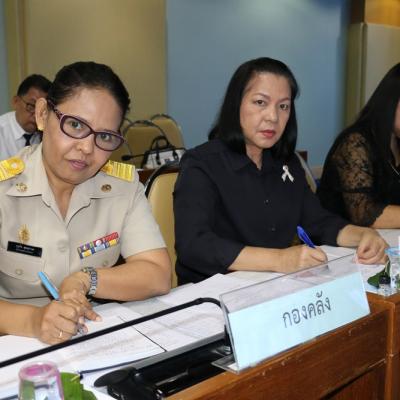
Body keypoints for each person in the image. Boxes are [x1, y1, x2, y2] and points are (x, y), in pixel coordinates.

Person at [173, 57, 387, 284]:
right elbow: (193, 245)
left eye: (283, 106)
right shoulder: (201, 163)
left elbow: (318, 221)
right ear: (236, 105)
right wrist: (279, 259)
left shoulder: (286, 162)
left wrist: (363, 235)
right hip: (213, 293)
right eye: (260, 102)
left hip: (275, 287)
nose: (273, 117)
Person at [0, 61, 171, 344]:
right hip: (17, 344)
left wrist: (87, 279)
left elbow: (157, 274)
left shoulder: (123, 188)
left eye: (104, 136)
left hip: (96, 336)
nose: (87, 148)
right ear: (42, 114)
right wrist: (34, 321)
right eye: (75, 125)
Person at [317, 63, 400, 228]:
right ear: (390, 101)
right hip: (336, 240)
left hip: (383, 239)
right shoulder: (355, 142)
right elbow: (364, 214)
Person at [0, 74, 51, 160]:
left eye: (43, 110)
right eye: (31, 106)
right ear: (16, 102)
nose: (36, 115)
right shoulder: (2, 131)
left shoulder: (45, 132)